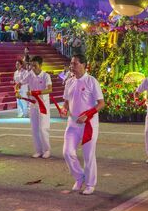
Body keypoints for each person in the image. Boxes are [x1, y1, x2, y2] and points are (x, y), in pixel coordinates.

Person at [61, 54, 105, 195]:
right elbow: (67, 101)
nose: (72, 66)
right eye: (71, 63)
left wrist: (87, 115)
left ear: (83, 65)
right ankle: (79, 177)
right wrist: (64, 109)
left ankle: (90, 184)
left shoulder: (92, 81)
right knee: (67, 152)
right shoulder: (69, 82)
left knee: (88, 155)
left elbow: (101, 104)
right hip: (73, 124)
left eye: (75, 63)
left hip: (89, 125)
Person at [16, 56, 52, 158]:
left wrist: (34, 92)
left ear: (40, 65)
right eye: (31, 65)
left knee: (43, 128)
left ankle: (47, 150)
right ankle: (38, 150)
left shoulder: (46, 76)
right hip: (33, 105)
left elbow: (49, 89)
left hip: (43, 105)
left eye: (35, 65)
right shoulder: (30, 75)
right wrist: (17, 89)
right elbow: (20, 83)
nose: (33, 68)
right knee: (34, 129)